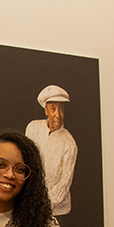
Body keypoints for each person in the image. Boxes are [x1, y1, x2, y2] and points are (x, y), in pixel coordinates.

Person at [25, 85, 77, 217]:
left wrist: (45, 203)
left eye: (61, 109)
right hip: (30, 205)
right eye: (53, 109)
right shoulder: (33, 128)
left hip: (56, 211)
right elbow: (25, 163)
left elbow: (65, 182)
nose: (58, 115)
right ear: (46, 110)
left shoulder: (69, 142)